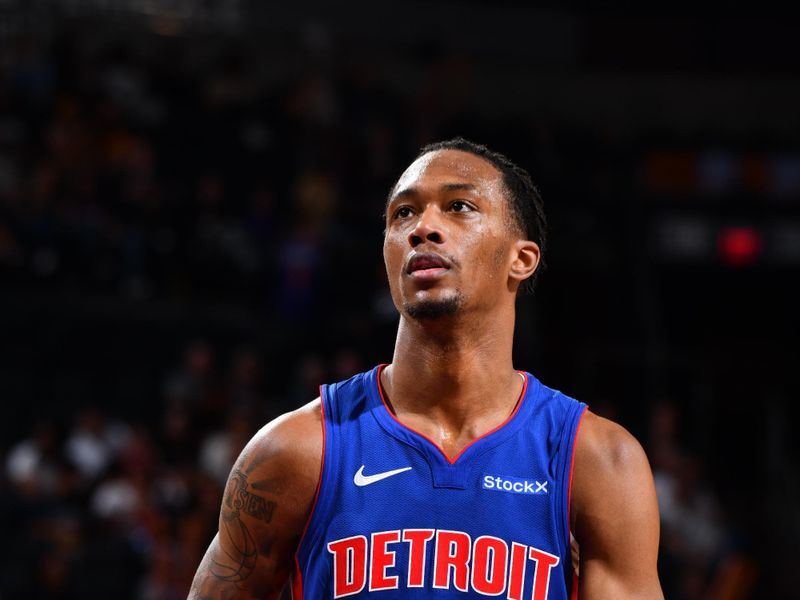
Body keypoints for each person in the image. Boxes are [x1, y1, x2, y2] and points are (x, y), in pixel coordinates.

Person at [188, 138, 663, 599]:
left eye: (459, 207)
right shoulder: (297, 449)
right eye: (403, 213)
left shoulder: (598, 462)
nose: (422, 227)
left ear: (521, 259)